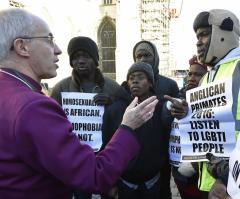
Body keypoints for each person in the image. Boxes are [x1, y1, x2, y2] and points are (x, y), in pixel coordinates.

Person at [0, 8, 159, 199]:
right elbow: (94, 175)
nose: (58, 50)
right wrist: (128, 126)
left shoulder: (10, 90)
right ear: (22, 47)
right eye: (49, 39)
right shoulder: (34, 106)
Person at [166, 9, 240, 199]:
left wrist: (227, 179)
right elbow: (207, 123)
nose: (199, 42)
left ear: (224, 32)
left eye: (204, 34)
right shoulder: (207, 76)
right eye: (197, 36)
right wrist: (186, 114)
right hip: (210, 183)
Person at [50, 36, 126, 199]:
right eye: (76, 57)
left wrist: (111, 103)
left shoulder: (112, 87)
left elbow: (127, 113)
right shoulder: (60, 89)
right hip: (75, 158)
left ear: (95, 59)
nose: (80, 61)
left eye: (85, 56)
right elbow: (51, 122)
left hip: (106, 155)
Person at [101, 62, 173, 199]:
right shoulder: (115, 110)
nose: (135, 80)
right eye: (131, 77)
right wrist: (110, 183)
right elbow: (106, 147)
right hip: (125, 183)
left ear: (150, 83)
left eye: (140, 77)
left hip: (153, 182)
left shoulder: (161, 108)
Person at [133, 40, 179, 199]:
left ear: (156, 58)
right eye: (138, 56)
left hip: (165, 147)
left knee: (164, 189)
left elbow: (179, 115)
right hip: (141, 149)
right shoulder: (130, 85)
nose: (143, 60)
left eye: (147, 55)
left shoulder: (170, 85)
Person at [172, 55, 207, 199]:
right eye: (190, 73)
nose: (192, 77)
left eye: (198, 74)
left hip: (200, 171)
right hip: (178, 167)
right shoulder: (178, 97)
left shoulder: (213, 101)